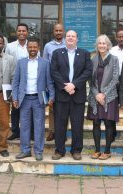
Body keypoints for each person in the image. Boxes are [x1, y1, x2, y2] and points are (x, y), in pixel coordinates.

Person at [50, 30, 93, 160]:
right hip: (62, 95)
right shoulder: (57, 53)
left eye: (73, 36)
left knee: (77, 124)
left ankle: (76, 150)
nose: (70, 38)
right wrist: (65, 86)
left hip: (77, 95)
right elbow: (54, 71)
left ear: (77, 39)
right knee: (60, 124)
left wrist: (74, 85)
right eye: (68, 36)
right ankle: (59, 150)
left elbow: (88, 71)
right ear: (65, 39)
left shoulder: (84, 53)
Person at [12, 38, 55, 161]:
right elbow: (15, 82)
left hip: (38, 99)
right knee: (24, 126)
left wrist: (51, 97)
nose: (32, 49)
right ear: (27, 48)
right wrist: (15, 98)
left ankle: (38, 151)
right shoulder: (20, 63)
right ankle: (25, 150)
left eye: (34, 47)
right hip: (24, 99)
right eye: (30, 47)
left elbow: (50, 82)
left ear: (38, 48)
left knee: (39, 126)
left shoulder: (45, 63)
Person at [87, 34, 119, 160]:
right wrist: (97, 94)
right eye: (99, 43)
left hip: (109, 96)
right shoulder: (93, 59)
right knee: (96, 123)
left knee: (108, 123)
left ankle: (107, 150)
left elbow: (115, 78)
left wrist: (104, 93)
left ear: (108, 45)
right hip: (95, 96)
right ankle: (97, 150)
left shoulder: (114, 59)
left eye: (104, 43)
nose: (102, 45)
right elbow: (90, 80)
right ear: (97, 45)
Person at [5, 23, 33, 141]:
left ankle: (31, 133)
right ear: (16, 32)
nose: (21, 33)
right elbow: (6, 64)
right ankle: (15, 131)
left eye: (24, 31)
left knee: (29, 107)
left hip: (29, 81)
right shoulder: (10, 46)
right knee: (15, 107)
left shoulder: (32, 46)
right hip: (14, 81)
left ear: (27, 32)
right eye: (19, 31)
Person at [43, 23, 66, 141]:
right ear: (53, 32)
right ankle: (52, 131)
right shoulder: (48, 46)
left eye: (60, 30)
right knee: (52, 107)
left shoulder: (68, 44)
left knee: (65, 108)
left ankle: (63, 132)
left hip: (66, 83)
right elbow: (45, 64)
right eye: (56, 30)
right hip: (52, 81)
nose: (58, 32)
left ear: (63, 32)